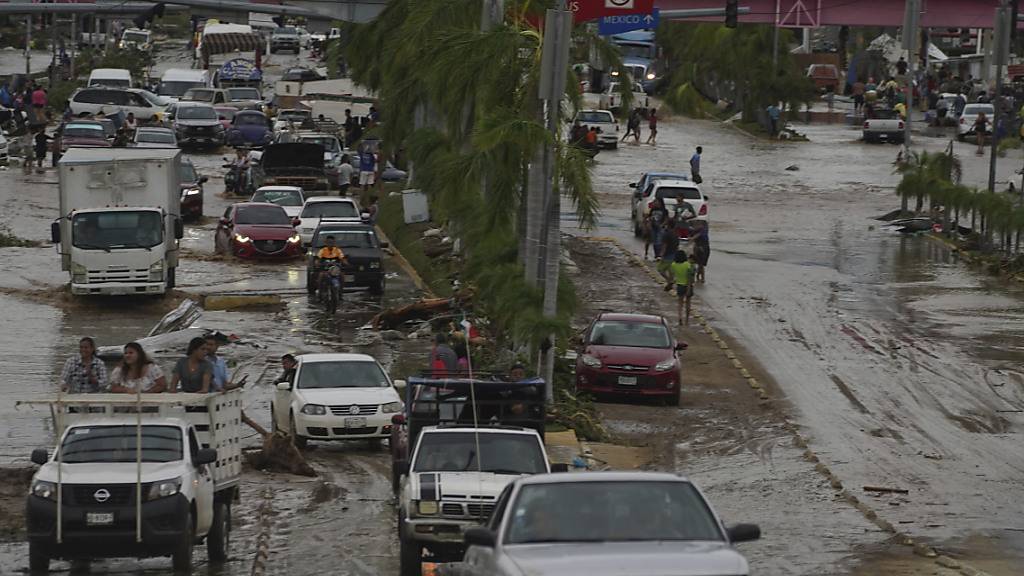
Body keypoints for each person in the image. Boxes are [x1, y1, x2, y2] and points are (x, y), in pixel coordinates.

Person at [669, 251, 696, 326]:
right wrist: (688, 289)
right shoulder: (687, 265)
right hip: (688, 285)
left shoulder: (673, 265)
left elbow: (672, 276)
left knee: (680, 303)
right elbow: (689, 278)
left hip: (679, 285)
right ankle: (687, 319)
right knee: (688, 303)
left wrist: (671, 284)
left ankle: (680, 317)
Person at [657, 218, 679, 290]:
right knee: (671, 271)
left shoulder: (666, 234)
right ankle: (670, 284)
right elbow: (677, 245)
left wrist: (660, 255)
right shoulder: (676, 234)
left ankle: (669, 281)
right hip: (674, 254)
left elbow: (664, 246)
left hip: (668, 254)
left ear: (668, 225)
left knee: (660, 269)